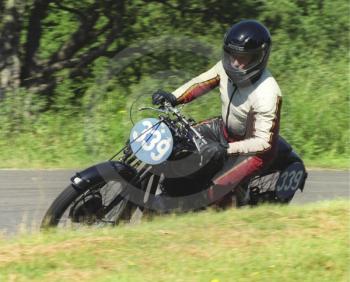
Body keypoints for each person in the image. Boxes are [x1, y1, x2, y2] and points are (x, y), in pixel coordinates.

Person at [152, 20, 282, 206]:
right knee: (176, 141)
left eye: (242, 58)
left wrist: (228, 149)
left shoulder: (268, 92)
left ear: (258, 58)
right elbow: (200, 83)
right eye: (232, 55)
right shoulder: (226, 67)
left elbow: (263, 143)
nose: (235, 62)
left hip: (253, 151)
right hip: (224, 130)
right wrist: (173, 97)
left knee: (210, 195)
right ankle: (174, 189)